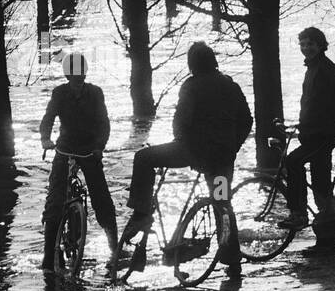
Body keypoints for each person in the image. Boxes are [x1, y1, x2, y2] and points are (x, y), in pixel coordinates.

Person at [120, 42, 252, 274]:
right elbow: (247, 120)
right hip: (221, 159)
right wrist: (233, 146)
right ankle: (232, 259)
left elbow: (180, 123)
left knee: (143, 158)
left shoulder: (191, 87)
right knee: (223, 205)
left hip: (192, 151)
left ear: (192, 64)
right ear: (214, 61)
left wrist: (183, 143)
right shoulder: (231, 86)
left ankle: (141, 214)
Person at [285, 27, 335, 257]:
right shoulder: (313, 68)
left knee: (293, 162)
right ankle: (326, 242)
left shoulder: (326, 69)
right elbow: (314, 104)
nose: (306, 48)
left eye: (311, 44)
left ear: (320, 45)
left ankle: (299, 214)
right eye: (303, 44)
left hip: (324, 135)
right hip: (314, 133)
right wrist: (300, 125)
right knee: (321, 187)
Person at [39, 51, 117, 270]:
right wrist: (45, 139)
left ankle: (114, 246)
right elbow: (48, 119)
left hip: (89, 151)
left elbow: (104, 123)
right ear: (67, 78)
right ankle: (47, 257)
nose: (77, 83)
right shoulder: (59, 93)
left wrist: (99, 147)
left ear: (85, 75)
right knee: (55, 200)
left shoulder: (96, 93)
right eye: (74, 79)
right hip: (64, 150)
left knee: (102, 199)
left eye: (80, 78)